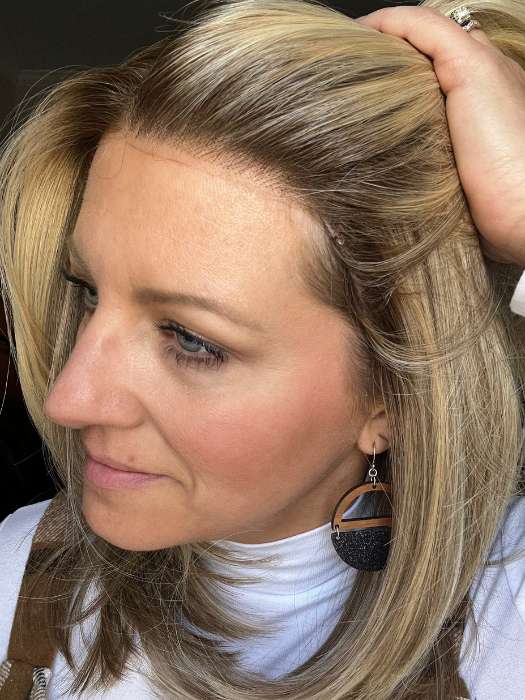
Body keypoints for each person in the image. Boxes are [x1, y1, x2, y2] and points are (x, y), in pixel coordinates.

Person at [1, 0, 525, 697]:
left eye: (192, 341)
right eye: (89, 292)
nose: (69, 399)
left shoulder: (510, 615)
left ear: (392, 394)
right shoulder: (15, 571)